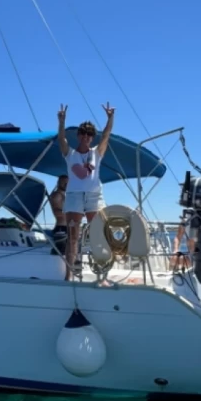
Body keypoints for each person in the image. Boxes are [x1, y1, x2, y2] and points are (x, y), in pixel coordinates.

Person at [56, 102, 115, 280]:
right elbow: (61, 139)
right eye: (83, 133)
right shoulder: (70, 154)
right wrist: (61, 121)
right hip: (74, 196)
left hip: (94, 196)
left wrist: (110, 118)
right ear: (78, 135)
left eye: (90, 134)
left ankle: (102, 277)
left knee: (98, 235)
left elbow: (106, 135)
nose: (86, 137)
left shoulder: (97, 153)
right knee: (73, 236)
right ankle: (68, 276)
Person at [49, 175, 70, 276]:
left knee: (68, 253)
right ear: (58, 183)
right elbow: (57, 212)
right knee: (61, 255)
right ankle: (59, 274)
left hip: (66, 228)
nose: (66, 184)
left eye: (68, 183)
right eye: (64, 182)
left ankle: (66, 273)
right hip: (61, 228)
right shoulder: (57, 195)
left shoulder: (63, 195)